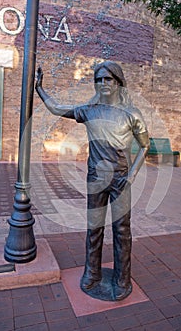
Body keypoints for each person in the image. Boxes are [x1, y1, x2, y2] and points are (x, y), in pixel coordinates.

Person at [35, 61, 150, 300]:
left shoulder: (131, 114)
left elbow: (145, 145)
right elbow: (57, 108)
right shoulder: (89, 109)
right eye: (98, 80)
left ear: (118, 82)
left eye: (108, 79)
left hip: (121, 180)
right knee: (94, 228)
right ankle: (92, 272)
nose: (103, 83)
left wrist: (131, 176)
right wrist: (39, 88)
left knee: (122, 230)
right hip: (96, 179)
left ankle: (122, 278)